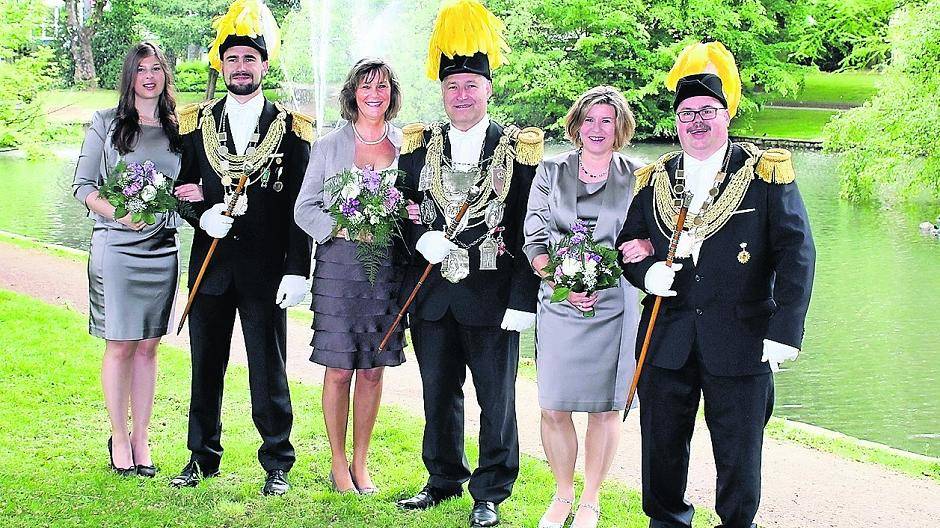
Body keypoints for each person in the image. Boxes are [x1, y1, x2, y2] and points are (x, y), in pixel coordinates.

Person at [615, 42, 816, 528]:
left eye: (708, 111)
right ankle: (667, 522)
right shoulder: (656, 178)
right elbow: (629, 244)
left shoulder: (763, 174)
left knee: (739, 454)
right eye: (686, 113)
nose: (697, 122)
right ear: (676, 121)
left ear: (727, 115)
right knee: (661, 450)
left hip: (743, 339)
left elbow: (797, 254)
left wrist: (785, 331)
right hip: (667, 338)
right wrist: (647, 273)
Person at [394, 1, 543, 526]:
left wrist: (524, 302)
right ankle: (442, 479)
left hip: (493, 297)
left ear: (488, 89)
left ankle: (491, 491)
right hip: (433, 295)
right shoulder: (418, 147)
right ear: (442, 91)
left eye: (471, 86)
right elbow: (401, 210)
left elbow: (528, 229)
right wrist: (421, 239)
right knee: (437, 393)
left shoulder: (517, 151)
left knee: (496, 400)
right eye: (452, 86)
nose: (461, 95)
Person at [168, 0, 313, 496]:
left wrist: (298, 269)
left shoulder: (291, 128)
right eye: (232, 59)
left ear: (264, 66)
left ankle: (277, 462)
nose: (241, 67)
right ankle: (201, 457)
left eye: (250, 59)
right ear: (222, 65)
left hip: (266, 271)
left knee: (268, 370)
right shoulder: (197, 124)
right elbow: (183, 190)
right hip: (210, 267)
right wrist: (202, 215)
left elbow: (299, 206)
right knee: (205, 367)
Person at [523, 86, 653, 528]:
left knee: (605, 409)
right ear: (576, 125)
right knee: (553, 407)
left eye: (607, 120)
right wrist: (560, 280)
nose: (597, 128)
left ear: (620, 128)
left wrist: (646, 244)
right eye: (589, 119)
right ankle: (562, 495)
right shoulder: (550, 170)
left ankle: (591, 500)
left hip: (614, 304)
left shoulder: (639, 176)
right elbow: (534, 238)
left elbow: (655, 231)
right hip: (559, 302)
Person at [72, 41, 198, 478]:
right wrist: (119, 214)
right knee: (121, 343)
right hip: (117, 247)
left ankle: (142, 437)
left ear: (165, 75)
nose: (149, 76)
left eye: (156, 68)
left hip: (163, 248)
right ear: (130, 76)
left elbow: (190, 183)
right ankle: (119, 437)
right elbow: (83, 186)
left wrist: (194, 193)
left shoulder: (179, 128)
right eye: (141, 69)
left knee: (148, 346)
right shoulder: (105, 123)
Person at [294, 58, 406, 495]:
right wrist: (340, 227)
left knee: (374, 370)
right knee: (340, 370)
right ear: (353, 94)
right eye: (365, 86)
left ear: (391, 94)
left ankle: (362, 463)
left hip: (386, 272)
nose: (374, 94)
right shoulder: (328, 146)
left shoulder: (407, 145)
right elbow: (304, 208)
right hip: (338, 271)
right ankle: (338, 463)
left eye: (382, 86)